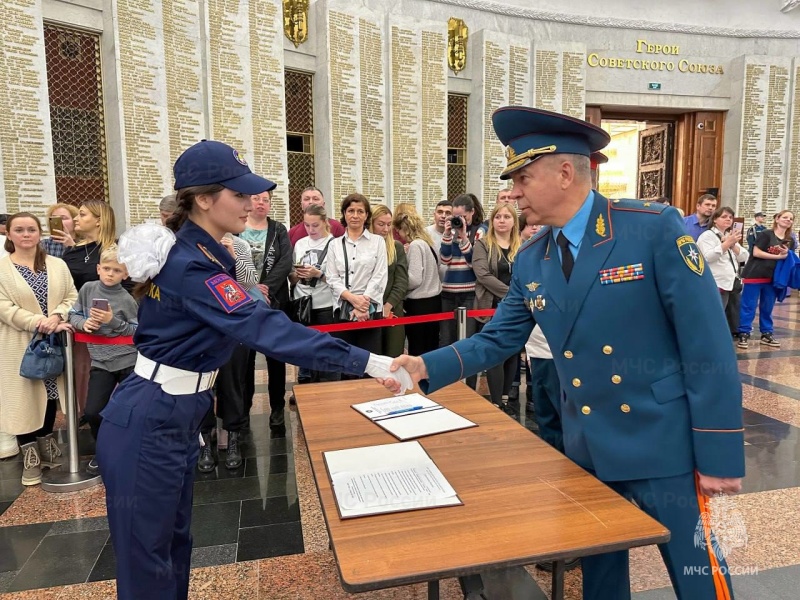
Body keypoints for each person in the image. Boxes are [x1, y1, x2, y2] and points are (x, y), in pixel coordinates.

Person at [381, 106, 744, 600]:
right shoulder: (534, 257)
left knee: (699, 576)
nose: (512, 192)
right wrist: (425, 366)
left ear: (566, 172)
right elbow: (498, 338)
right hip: (588, 447)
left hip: (664, 446)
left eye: (523, 178)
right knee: (600, 582)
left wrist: (720, 453)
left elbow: (708, 345)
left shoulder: (650, 229)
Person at [99, 140, 410, 600]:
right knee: (148, 560)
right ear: (204, 199)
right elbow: (267, 329)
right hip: (152, 417)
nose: (250, 203)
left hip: (175, 411)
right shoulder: (190, 265)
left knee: (174, 544)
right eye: (239, 194)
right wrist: (372, 362)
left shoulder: (205, 254)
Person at [0, 213, 76, 486]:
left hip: (54, 340)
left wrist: (56, 316)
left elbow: (71, 296)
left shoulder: (56, 265)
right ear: (9, 234)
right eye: (19, 230)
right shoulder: (2, 269)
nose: (26, 234)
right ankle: (29, 453)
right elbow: (4, 307)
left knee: (50, 392)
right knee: (23, 397)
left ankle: (47, 444)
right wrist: (39, 322)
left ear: (39, 232)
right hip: (19, 342)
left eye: (31, 229)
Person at [68, 245, 138, 475]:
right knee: (93, 411)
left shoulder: (127, 299)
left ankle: (128, 451)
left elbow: (135, 330)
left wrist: (112, 321)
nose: (110, 273)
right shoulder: (88, 289)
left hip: (127, 361)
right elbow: (74, 314)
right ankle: (103, 450)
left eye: (116, 270)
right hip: (99, 361)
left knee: (128, 410)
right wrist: (84, 324)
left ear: (125, 274)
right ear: (98, 269)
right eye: (106, 268)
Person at [240, 190, 293, 428]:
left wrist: (265, 289)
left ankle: (277, 408)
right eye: (256, 198)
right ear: (248, 201)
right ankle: (243, 408)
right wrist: (251, 290)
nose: (261, 203)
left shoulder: (278, 229)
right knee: (245, 359)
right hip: (243, 303)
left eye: (265, 200)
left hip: (274, 302)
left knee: (276, 357)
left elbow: (285, 262)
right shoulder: (236, 228)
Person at [61, 199, 120, 416]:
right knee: (84, 379)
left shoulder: (117, 249)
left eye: (83, 214)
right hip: (81, 328)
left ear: (99, 220)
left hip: (111, 330)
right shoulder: (72, 252)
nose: (76, 218)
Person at [326, 193, 387, 359]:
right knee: (345, 362)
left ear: (366, 215)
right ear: (344, 214)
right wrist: (353, 299)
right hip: (344, 309)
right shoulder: (334, 245)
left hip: (370, 310)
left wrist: (363, 303)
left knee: (370, 361)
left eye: (360, 211)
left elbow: (380, 275)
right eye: (351, 210)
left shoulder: (378, 242)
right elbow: (332, 277)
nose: (355, 215)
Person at [473, 203, 520, 408]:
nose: (502, 220)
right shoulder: (483, 244)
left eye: (506, 217)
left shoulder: (523, 245)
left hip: (517, 308)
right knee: (495, 354)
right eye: (498, 217)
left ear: (514, 221)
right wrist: (510, 294)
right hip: (490, 306)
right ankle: (495, 402)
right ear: (492, 221)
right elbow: (482, 274)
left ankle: (504, 398)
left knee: (512, 353)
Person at [289, 204, 338, 383]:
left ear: (325, 222)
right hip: (302, 302)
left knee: (326, 349)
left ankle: (327, 385)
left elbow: (338, 280)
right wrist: (297, 275)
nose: (311, 230)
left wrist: (318, 274)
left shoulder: (334, 244)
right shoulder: (301, 244)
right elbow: (291, 276)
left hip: (325, 304)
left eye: (315, 225)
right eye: (307, 225)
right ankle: (304, 383)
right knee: (304, 348)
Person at [737, 210, 795, 349]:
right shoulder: (765, 234)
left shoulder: (790, 240)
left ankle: (767, 333)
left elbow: (789, 258)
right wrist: (778, 256)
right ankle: (744, 332)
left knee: (767, 306)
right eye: (785, 217)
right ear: (777, 219)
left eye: (791, 219)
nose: (788, 220)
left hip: (773, 277)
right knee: (749, 305)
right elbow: (756, 252)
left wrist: (787, 254)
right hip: (755, 274)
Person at [394, 210, 441, 355]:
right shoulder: (428, 243)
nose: (398, 235)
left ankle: (417, 378)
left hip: (419, 304)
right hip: (434, 301)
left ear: (405, 229)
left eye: (399, 230)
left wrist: (399, 285)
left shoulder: (415, 245)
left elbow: (414, 279)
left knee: (417, 349)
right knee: (431, 346)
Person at [697, 207, 747, 337]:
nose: (728, 219)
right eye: (724, 217)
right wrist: (725, 245)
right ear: (715, 219)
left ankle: (720, 338)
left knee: (727, 316)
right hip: (716, 283)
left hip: (731, 282)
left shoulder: (729, 236)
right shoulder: (707, 236)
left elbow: (744, 257)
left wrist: (732, 244)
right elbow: (707, 257)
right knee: (713, 315)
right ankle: (708, 339)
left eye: (730, 217)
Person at [371, 205, 408, 357]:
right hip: (370, 309)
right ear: (371, 224)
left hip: (392, 308)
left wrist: (388, 305)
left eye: (389, 224)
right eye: (381, 224)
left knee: (393, 357)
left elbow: (401, 281)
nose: (386, 229)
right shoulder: (365, 247)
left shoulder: (396, 247)